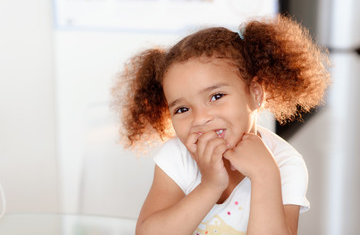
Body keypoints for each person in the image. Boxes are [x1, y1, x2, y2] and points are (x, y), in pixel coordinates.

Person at [111, 15, 330, 235]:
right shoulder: (178, 156)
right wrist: (210, 185)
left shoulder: (285, 163)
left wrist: (265, 175)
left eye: (216, 96)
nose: (200, 118)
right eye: (182, 109)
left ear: (255, 94)